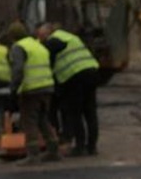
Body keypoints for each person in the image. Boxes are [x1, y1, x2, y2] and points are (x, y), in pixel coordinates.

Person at [37, 22, 100, 156]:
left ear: (47, 34)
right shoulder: (70, 37)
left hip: (74, 77)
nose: (41, 40)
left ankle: (79, 147)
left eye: (41, 37)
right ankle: (92, 147)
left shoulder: (52, 41)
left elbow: (47, 63)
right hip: (91, 72)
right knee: (90, 111)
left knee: (75, 113)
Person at [5, 21, 61, 164]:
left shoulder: (18, 47)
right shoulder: (37, 45)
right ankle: (53, 151)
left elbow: (18, 70)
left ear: (12, 36)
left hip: (31, 89)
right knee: (43, 119)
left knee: (29, 122)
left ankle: (33, 155)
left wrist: (13, 90)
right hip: (47, 87)